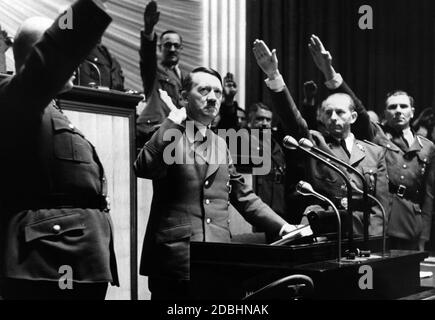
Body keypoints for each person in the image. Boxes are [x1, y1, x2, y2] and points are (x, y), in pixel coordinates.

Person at [134, 67, 300, 300]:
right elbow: (144, 168)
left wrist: (284, 227)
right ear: (183, 97)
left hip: (218, 256)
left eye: (218, 92)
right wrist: (172, 122)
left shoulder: (221, 145)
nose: (212, 97)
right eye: (204, 90)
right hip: (176, 258)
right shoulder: (169, 134)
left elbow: (243, 195)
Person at [0, 0, 118, 300]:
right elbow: (49, 62)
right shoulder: (16, 101)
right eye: (64, 54)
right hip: (48, 261)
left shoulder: (51, 111)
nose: (74, 62)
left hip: (77, 262)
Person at [308, 34, 435, 251]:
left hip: (411, 223)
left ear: (412, 112)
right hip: (383, 217)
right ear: (385, 112)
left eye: (403, 107)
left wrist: (424, 234)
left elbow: (429, 195)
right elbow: (357, 107)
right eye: (392, 107)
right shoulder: (377, 136)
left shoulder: (427, 146)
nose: (398, 111)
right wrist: (330, 73)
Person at [253, 39, 390, 238]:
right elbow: (295, 122)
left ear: (352, 117)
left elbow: (380, 205)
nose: (333, 117)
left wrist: (374, 241)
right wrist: (274, 76)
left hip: (365, 237)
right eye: (328, 112)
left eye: (340, 112)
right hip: (326, 234)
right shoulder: (315, 144)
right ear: (321, 117)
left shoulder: (373, 152)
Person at [136, 0, 186, 147]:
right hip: (154, 131)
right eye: (167, 45)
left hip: (177, 136)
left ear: (181, 49)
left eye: (176, 46)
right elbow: (147, 56)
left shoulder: (185, 78)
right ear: (159, 48)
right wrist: (148, 30)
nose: (172, 49)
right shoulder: (153, 70)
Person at [247, 102, 288, 242]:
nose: (264, 123)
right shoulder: (241, 143)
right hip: (254, 210)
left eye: (268, 120)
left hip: (277, 209)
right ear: (249, 122)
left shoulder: (277, 145)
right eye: (259, 119)